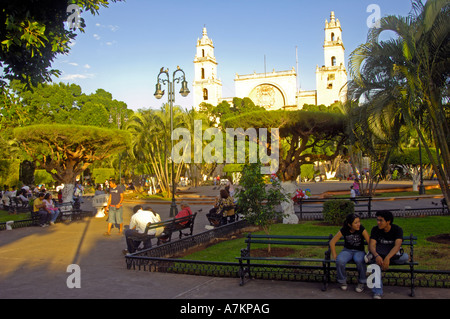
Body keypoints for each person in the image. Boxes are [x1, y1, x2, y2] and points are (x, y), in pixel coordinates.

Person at [365, 210, 409, 299]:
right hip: (379, 254)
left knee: (405, 257)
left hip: (392, 255)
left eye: (381, 220)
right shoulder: (375, 229)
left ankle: (375, 259)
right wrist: (377, 256)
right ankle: (377, 292)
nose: (378, 222)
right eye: (377, 220)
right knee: (375, 266)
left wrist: (388, 258)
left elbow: (397, 246)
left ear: (388, 221)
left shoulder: (397, 229)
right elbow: (372, 245)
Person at [329, 214, 370, 292]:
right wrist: (334, 255)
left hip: (359, 251)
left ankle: (361, 282)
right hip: (347, 250)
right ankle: (342, 281)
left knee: (359, 260)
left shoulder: (361, 229)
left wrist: (369, 253)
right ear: (349, 224)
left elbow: (369, 241)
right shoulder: (344, 229)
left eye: (359, 222)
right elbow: (332, 242)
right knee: (340, 260)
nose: (358, 224)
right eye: (356, 223)